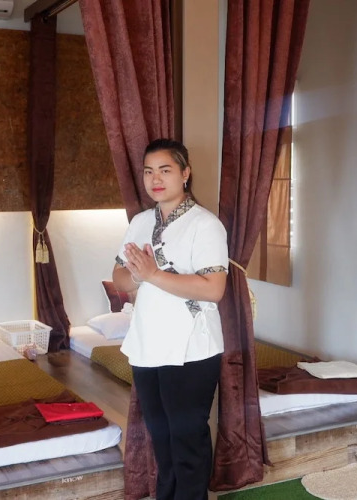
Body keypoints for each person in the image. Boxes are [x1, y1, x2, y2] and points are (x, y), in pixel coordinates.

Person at [112, 138, 228, 500]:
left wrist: (153, 274)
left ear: (185, 173)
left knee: (187, 440)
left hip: (192, 348)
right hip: (148, 344)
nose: (155, 179)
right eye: (149, 171)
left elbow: (214, 289)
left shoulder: (205, 225)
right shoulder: (140, 222)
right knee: (161, 440)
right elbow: (119, 278)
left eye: (165, 170)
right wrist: (137, 275)